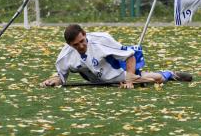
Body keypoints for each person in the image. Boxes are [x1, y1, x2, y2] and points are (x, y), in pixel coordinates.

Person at [41, 24, 192, 89]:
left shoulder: (101, 40)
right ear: (68, 44)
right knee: (146, 81)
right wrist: (52, 81)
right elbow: (61, 77)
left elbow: (130, 56)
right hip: (96, 79)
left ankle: (169, 74)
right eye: (76, 45)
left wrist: (130, 80)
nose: (81, 46)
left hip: (118, 71)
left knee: (154, 80)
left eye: (82, 41)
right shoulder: (64, 56)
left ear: (85, 34)